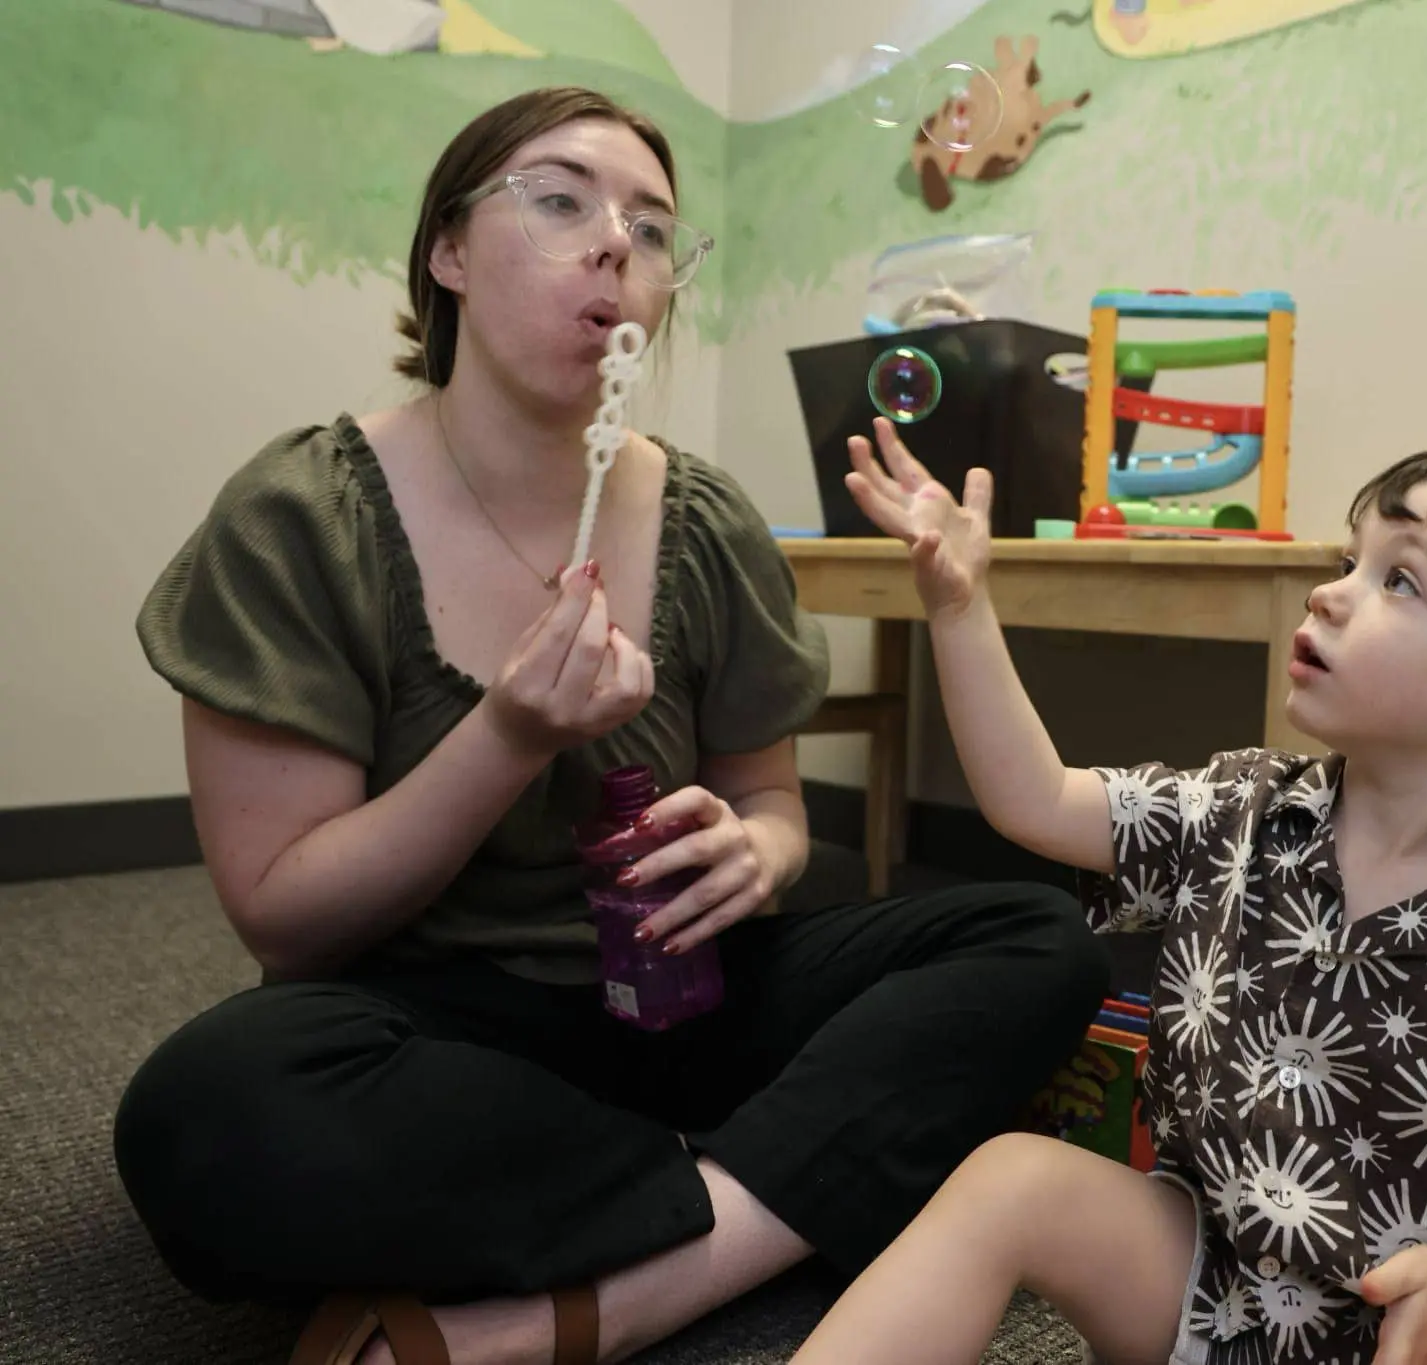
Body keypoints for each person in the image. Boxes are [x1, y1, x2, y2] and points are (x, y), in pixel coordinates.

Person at [112, 87, 1109, 1365]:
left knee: (1033, 936)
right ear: (449, 251)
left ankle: (639, 1267)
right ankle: (779, 1190)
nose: (613, 247)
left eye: (650, 229)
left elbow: (772, 802)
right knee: (205, 1112)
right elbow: (285, 914)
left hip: (681, 1005)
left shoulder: (704, 517)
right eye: (560, 199)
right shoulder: (301, 514)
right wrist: (507, 740)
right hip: (434, 1029)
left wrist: (761, 854)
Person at [789, 423, 1427, 1365]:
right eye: (1352, 558)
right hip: (1220, 1289)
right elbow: (1037, 798)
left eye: (1400, 579)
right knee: (1011, 1178)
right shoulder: (1236, 808)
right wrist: (961, 606)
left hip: (1420, 1340)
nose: (1330, 593)